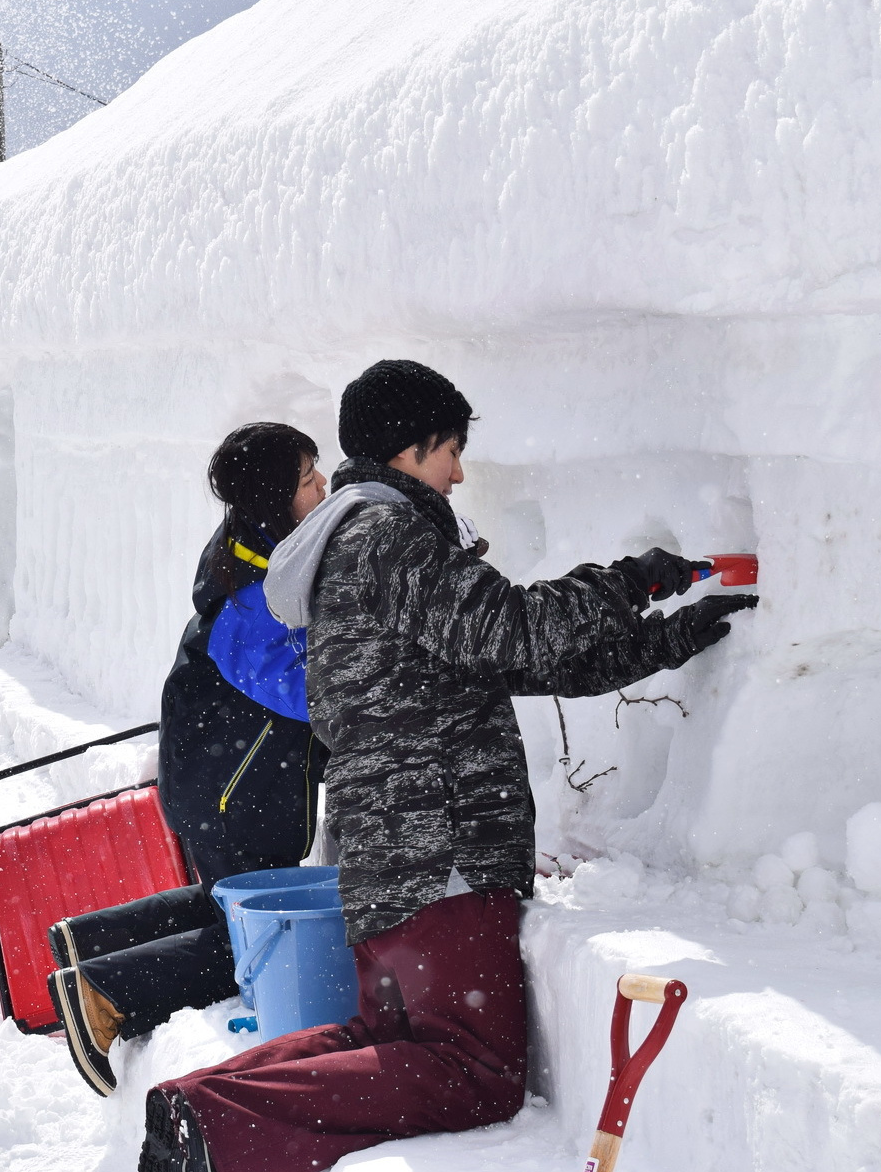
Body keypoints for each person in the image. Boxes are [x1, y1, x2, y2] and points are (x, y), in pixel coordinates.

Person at [139, 361, 758, 1172]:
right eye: (449, 450)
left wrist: (669, 639)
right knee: (473, 1071)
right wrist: (637, 580)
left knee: (386, 1039)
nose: (459, 472)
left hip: (393, 860)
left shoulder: (353, 544)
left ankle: (190, 1109)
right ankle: (214, 1121)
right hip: (441, 851)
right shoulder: (387, 535)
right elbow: (515, 629)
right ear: (408, 448)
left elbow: (505, 664)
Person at [47, 423, 332, 1095]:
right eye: (307, 477)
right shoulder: (248, 597)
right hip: (233, 794)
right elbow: (302, 692)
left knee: (227, 902)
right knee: (262, 935)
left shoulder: (261, 557)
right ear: (274, 498)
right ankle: (105, 992)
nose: (323, 483)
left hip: (228, 783)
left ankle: (90, 944)